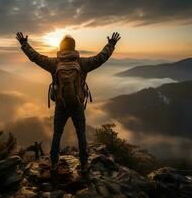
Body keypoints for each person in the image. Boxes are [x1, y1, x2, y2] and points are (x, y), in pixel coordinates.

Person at [16, 31, 121, 175]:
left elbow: (35, 57)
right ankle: (84, 164)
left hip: (61, 104)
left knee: (57, 134)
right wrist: (111, 44)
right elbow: (101, 58)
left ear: (61, 48)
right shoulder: (82, 63)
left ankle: (54, 163)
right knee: (81, 134)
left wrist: (24, 43)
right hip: (77, 105)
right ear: (74, 47)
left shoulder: (54, 63)